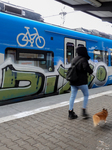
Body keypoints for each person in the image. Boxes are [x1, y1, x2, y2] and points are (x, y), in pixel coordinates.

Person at [68, 46, 93, 120]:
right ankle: (83, 111)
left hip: (73, 81)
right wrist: (90, 71)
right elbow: (86, 68)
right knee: (86, 95)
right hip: (81, 81)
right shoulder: (83, 59)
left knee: (72, 96)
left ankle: (70, 113)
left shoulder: (74, 59)